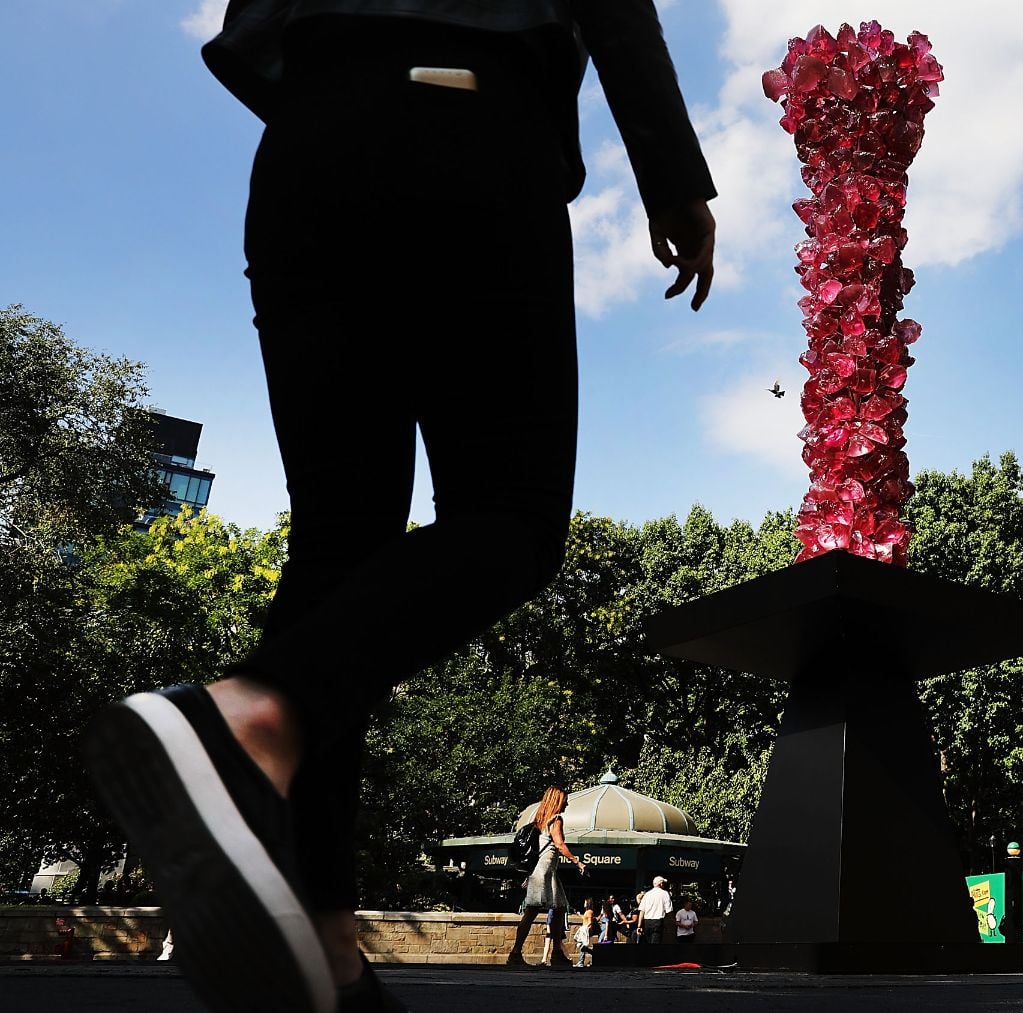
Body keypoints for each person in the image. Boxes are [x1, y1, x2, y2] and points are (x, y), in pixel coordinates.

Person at [80, 2, 716, 1011]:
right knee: (512, 517)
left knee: (339, 540)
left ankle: (324, 937)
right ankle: (250, 715)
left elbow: (247, 30)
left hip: (308, 145)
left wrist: (334, 99)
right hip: (471, 126)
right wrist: (675, 181)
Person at [507, 787, 589, 967]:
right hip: (543, 873)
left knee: (559, 909)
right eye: (565, 800)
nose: (567, 803)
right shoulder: (556, 819)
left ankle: (556, 952)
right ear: (557, 801)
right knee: (532, 911)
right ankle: (515, 953)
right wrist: (577, 861)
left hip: (544, 872)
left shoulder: (541, 821)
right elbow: (559, 844)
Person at [639, 876, 675, 944]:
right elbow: (669, 910)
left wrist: (639, 926)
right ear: (660, 884)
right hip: (657, 922)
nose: (664, 885)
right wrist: (673, 920)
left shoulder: (647, 894)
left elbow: (642, 911)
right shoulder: (664, 893)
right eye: (663, 883)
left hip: (647, 922)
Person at [574, 898, 596, 968]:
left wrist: (585, 928)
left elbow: (590, 922)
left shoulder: (589, 912)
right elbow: (585, 918)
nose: (584, 903)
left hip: (585, 931)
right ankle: (592, 954)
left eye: (585, 902)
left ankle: (581, 961)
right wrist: (579, 915)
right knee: (582, 945)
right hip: (584, 930)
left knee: (582, 946)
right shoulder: (587, 912)